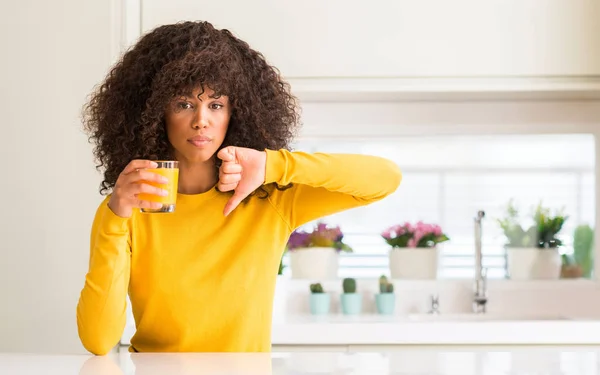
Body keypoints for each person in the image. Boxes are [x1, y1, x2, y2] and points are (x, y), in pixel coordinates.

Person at [76, 20, 402, 355]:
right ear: (156, 111)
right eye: (184, 103)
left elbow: (385, 178)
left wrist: (272, 165)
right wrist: (116, 217)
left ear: (235, 112)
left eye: (215, 105)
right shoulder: (129, 209)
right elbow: (99, 340)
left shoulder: (268, 199)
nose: (201, 119)